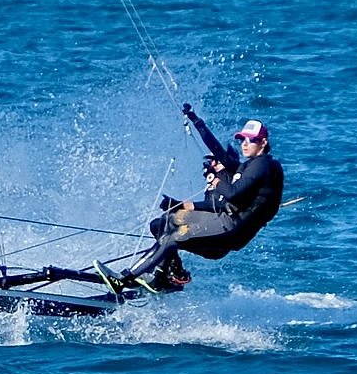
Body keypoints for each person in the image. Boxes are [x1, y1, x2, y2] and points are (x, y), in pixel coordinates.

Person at [94, 104, 284, 295]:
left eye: (250, 140)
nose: (244, 144)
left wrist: (214, 179)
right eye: (242, 139)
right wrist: (196, 121)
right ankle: (162, 276)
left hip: (232, 226)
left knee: (174, 236)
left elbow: (232, 193)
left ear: (263, 143)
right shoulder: (249, 166)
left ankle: (123, 280)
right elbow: (217, 150)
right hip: (227, 223)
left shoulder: (262, 165)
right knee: (168, 220)